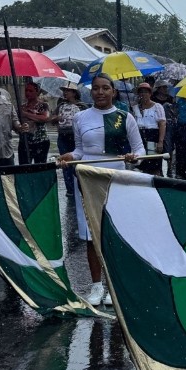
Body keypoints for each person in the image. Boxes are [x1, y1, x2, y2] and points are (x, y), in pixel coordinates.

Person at [58, 74, 144, 307]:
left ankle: (113, 284)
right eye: (96, 88)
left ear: (113, 92)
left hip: (115, 178)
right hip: (86, 178)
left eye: (105, 88)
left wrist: (133, 157)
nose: (100, 92)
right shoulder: (80, 117)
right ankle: (96, 285)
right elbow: (79, 150)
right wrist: (70, 156)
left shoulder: (125, 117)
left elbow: (140, 150)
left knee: (112, 232)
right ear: (91, 92)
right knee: (90, 234)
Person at [51, 83, 82, 193]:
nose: (65, 93)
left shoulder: (81, 106)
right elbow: (52, 119)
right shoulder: (60, 105)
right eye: (64, 91)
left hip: (76, 137)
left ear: (74, 93)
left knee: (77, 162)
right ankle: (70, 189)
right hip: (63, 137)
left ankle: (79, 186)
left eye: (67, 91)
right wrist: (57, 118)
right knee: (64, 162)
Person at [133, 81, 166, 175]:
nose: (143, 94)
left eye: (146, 92)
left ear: (150, 94)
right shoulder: (135, 108)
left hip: (153, 137)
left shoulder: (157, 107)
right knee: (141, 163)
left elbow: (162, 124)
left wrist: (160, 141)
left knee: (154, 163)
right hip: (140, 137)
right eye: (141, 92)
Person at [19, 81, 51, 165]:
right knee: (24, 167)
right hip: (25, 141)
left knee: (39, 167)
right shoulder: (22, 106)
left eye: (31, 91)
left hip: (40, 141)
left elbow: (45, 118)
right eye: (26, 90)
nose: (27, 93)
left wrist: (26, 114)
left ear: (37, 92)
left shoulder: (43, 105)